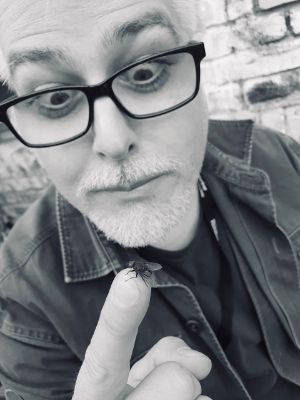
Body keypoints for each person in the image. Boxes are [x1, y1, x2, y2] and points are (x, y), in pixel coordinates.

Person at [0, 0, 300, 399]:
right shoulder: (24, 296)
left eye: (145, 72)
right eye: (54, 98)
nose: (112, 140)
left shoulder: (280, 159)